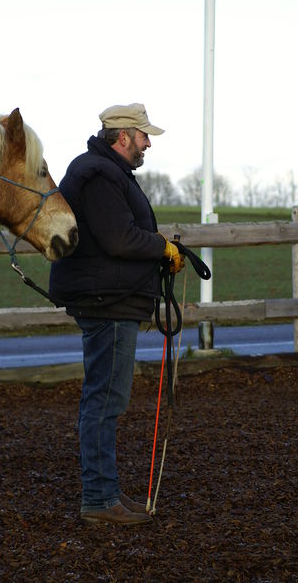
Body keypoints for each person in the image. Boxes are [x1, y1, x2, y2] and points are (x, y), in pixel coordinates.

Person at [49, 103, 184, 525]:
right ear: (122, 136)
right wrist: (160, 247)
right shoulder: (100, 175)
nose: (148, 144)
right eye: (144, 136)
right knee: (104, 401)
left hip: (111, 299)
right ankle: (98, 500)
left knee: (106, 399)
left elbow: (121, 235)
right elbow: (119, 238)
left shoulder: (104, 172)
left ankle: (104, 492)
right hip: (106, 302)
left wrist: (158, 247)